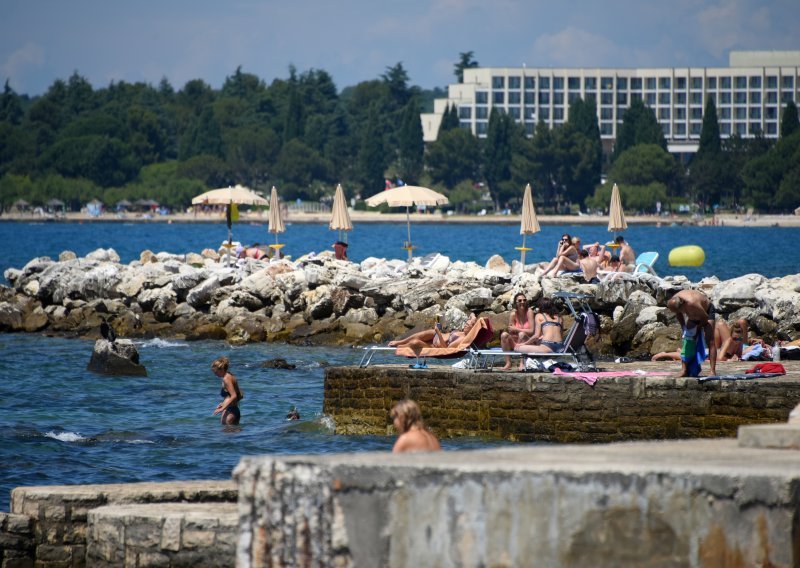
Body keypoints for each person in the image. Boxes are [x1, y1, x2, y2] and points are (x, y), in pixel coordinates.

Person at [666, 290, 717, 377]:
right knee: (687, 339)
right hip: (693, 314)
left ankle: (712, 371)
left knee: (710, 340)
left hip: (706, 312)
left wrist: (697, 330)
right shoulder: (675, 299)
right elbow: (678, 314)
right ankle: (684, 370)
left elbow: (705, 317)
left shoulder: (692, 303)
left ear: (682, 306)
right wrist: (684, 328)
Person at [388, 313, 478, 357]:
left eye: (468, 325)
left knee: (414, 342)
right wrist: (473, 318)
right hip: (435, 336)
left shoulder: (462, 339)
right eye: (466, 323)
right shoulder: (462, 332)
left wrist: (439, 333)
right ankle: (399, 342)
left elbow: (445, 349)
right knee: (428, 332)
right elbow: (472, 314)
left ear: (472, 329)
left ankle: (400, 346)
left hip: (434, 346)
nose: (466, 325)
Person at [515, 297, 564, 365]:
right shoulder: (560, 317)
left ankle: (525, 364)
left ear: (541, 306)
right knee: (538, 342)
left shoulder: (539, 316)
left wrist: (524, 343)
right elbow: (560, 334)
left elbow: (536, 336)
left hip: (547, 346)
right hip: (560, 348)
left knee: (517, 348)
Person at [500, 293, 535, 370]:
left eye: (524, 300)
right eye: (520, 300)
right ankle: (508, 363)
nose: (522, 302)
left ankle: (522, 362)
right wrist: (514, 331)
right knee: (504, 335)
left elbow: (532, 331)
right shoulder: (513, 314)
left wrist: (517, 329)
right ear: (516, 303)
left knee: (522, 334)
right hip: (516, 342)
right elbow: (510, 330)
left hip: (527, 341)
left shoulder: (529, 312)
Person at [211, 356, 243, 425]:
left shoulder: (226, 379)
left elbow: (234, 395)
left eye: (216, 372)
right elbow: (239, 394)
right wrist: (223, 404)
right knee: (232, 434)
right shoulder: (230, 375)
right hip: (233, 409)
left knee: (228, 433)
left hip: (231, 411)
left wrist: (222, 408)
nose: (215, 375)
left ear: (221, 369)